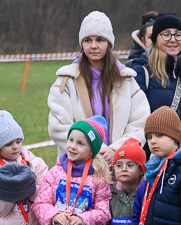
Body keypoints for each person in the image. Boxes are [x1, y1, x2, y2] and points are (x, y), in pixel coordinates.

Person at [48, 11, 150, 162]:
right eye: (88, 40)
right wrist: (93, 148)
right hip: (79, 171)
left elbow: (140, 123)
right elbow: (58, 127)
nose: (94, 46)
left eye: (100, 39)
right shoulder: (66, 81)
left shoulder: (127, 80)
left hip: (119, 168)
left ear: (109, 42)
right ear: (82, 43)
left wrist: (117, 150)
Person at [128, 13, 181, 152]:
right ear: (155, 39)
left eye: (178, 34)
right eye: (166, 34)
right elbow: (135, 121)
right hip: (151, 160)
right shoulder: (141, 72)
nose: (173, 39)